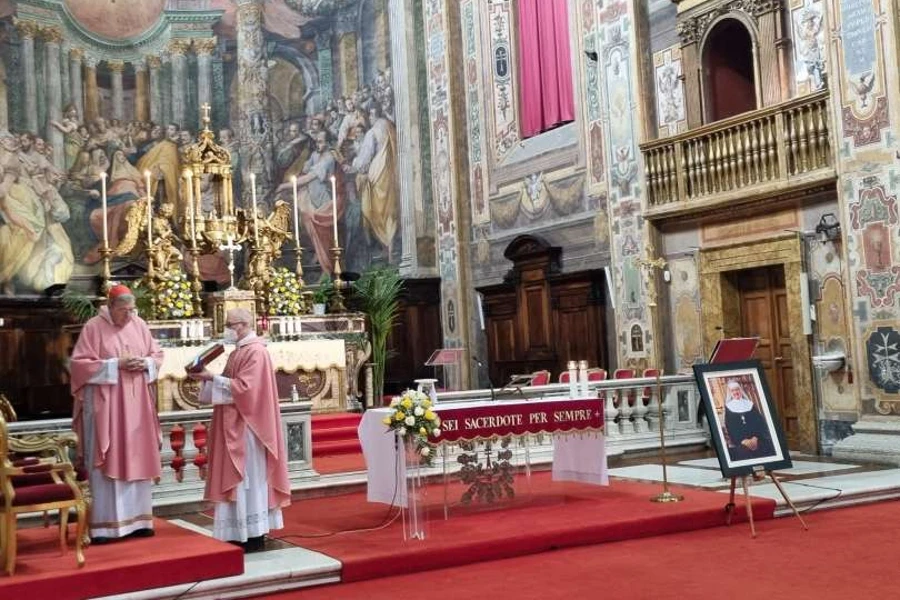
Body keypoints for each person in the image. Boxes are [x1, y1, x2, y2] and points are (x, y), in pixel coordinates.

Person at [188, 308, 291, 552]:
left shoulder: (256, 351)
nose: (227, 329)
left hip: (250, 427)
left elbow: (246, 389)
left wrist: (211, 377)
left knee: (249, 478)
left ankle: (252, 533)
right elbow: (230, 383)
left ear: (243, 325)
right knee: (240, 479)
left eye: (230, 324)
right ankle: (237, 530)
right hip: (236, 422)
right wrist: (204, 376)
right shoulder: (240, 351)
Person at [69, 285, 164, 543]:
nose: (129, 316)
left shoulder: (139, 324)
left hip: (137, 407)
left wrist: (145, 363)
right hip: (107, 407)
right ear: (110, 307)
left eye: (132, 310)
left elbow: (156, 354)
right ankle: (106, 527)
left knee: (138, 454)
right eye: (124, 311)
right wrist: (115, 365)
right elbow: (78, 366)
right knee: (108, 458)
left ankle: (140, 521)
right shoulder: (93, 327)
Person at [722, 379, 775, 462]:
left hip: (756, 438)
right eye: (733, 390)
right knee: (742, 452)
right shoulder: (728, 407)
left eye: (737, 389)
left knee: (767, 447)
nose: (736, 392)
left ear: (740, 390)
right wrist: (743, 440)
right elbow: (731, 428)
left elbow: (760, 423)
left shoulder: (750, 404)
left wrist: (755, 437)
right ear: (730, 393)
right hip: (741, 441)